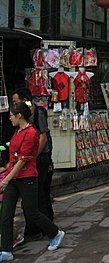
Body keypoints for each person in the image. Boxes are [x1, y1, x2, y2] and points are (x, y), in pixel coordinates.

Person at [0, 102, 65, 261]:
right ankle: (6, 250)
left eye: (11, 115)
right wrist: (5, 170)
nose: (9, 118)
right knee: (6, 215)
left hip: (27, 177)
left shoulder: (31, 133)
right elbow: (13, 157)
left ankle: (55, 232)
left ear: (19, 115)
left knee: (32, 212)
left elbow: (23, 160)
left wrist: (6, 179)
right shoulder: (17, 132)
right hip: (13, 178)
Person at [11, 88, 54, 248]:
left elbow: (42, 137)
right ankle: (41, 228)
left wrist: (32, 157)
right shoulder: (21, 123)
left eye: (16, 102)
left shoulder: (37, 113)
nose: (14, 107)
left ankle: (47, 229)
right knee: (36, 198)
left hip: (38, 160)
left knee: (39, 196)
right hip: (28, 161)